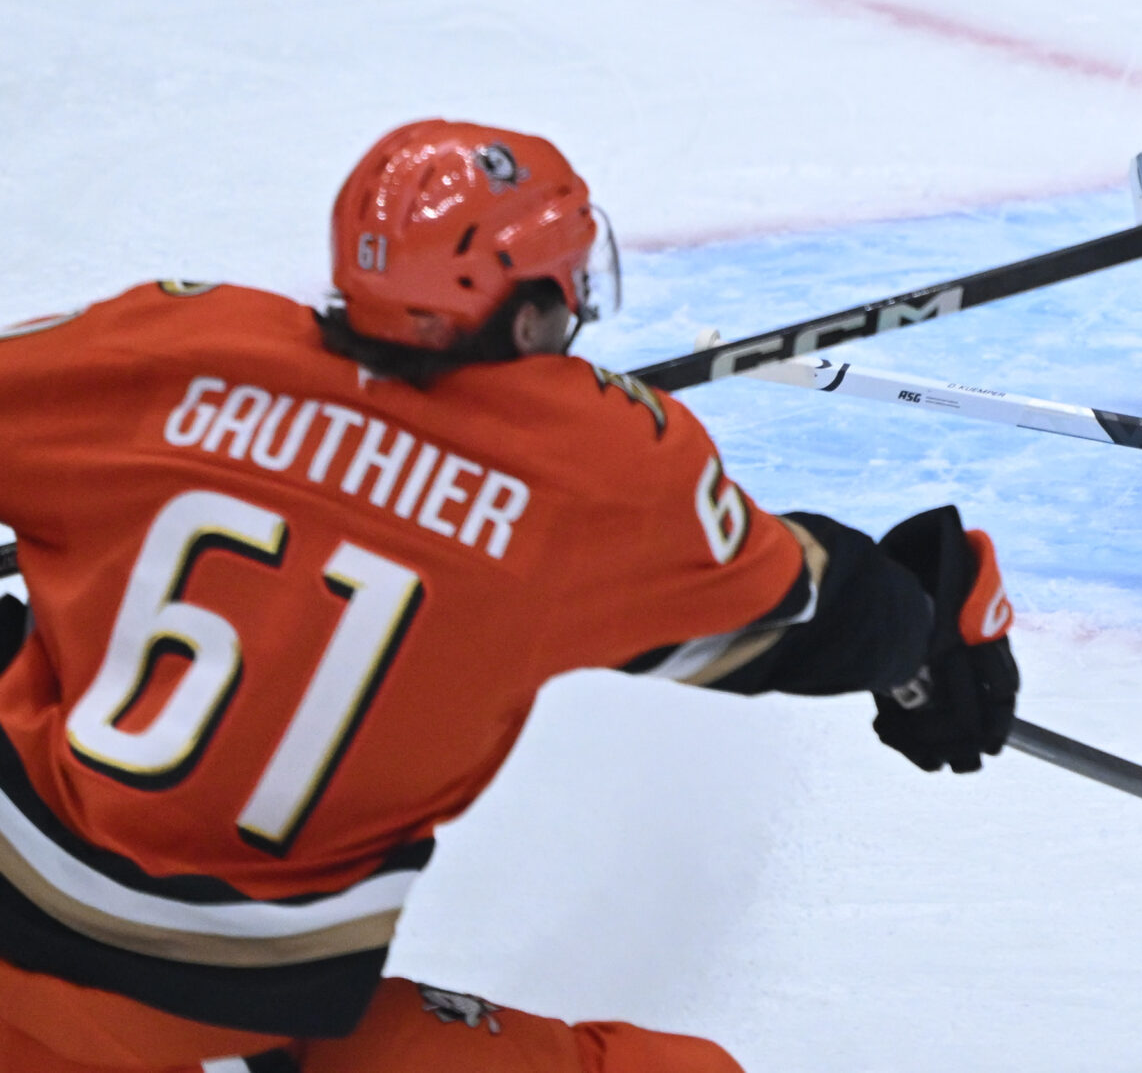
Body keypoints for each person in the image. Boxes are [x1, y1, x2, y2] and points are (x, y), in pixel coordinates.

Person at [0, 120, 1018, 1072]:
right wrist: (931, 624)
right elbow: (805, 618)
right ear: (527, 310)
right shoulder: (593, 474)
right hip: (196, 1009)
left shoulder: (172, 345)